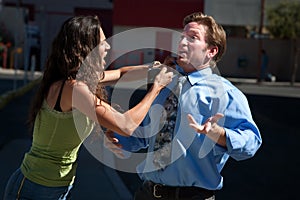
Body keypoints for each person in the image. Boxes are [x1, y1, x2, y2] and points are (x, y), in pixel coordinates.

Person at [3, 15, 173, 200]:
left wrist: (155, 69)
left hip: (55, 187)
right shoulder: (73, 88)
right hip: (34, 187)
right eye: (102, 42)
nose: (108, 47)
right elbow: (126, 125)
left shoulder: (79, 81)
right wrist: (156, 87)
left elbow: (120, 73)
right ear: (87, 48)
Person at [105, 12, 262, 200]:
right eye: (182, 37)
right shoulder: (164, 83)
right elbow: (146, 132)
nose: (182, 43)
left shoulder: (226, 93)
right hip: (148, 193)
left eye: (192, 37)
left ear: (211, 51)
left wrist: (220, 135)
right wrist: (121, 140)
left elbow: (252, 142)